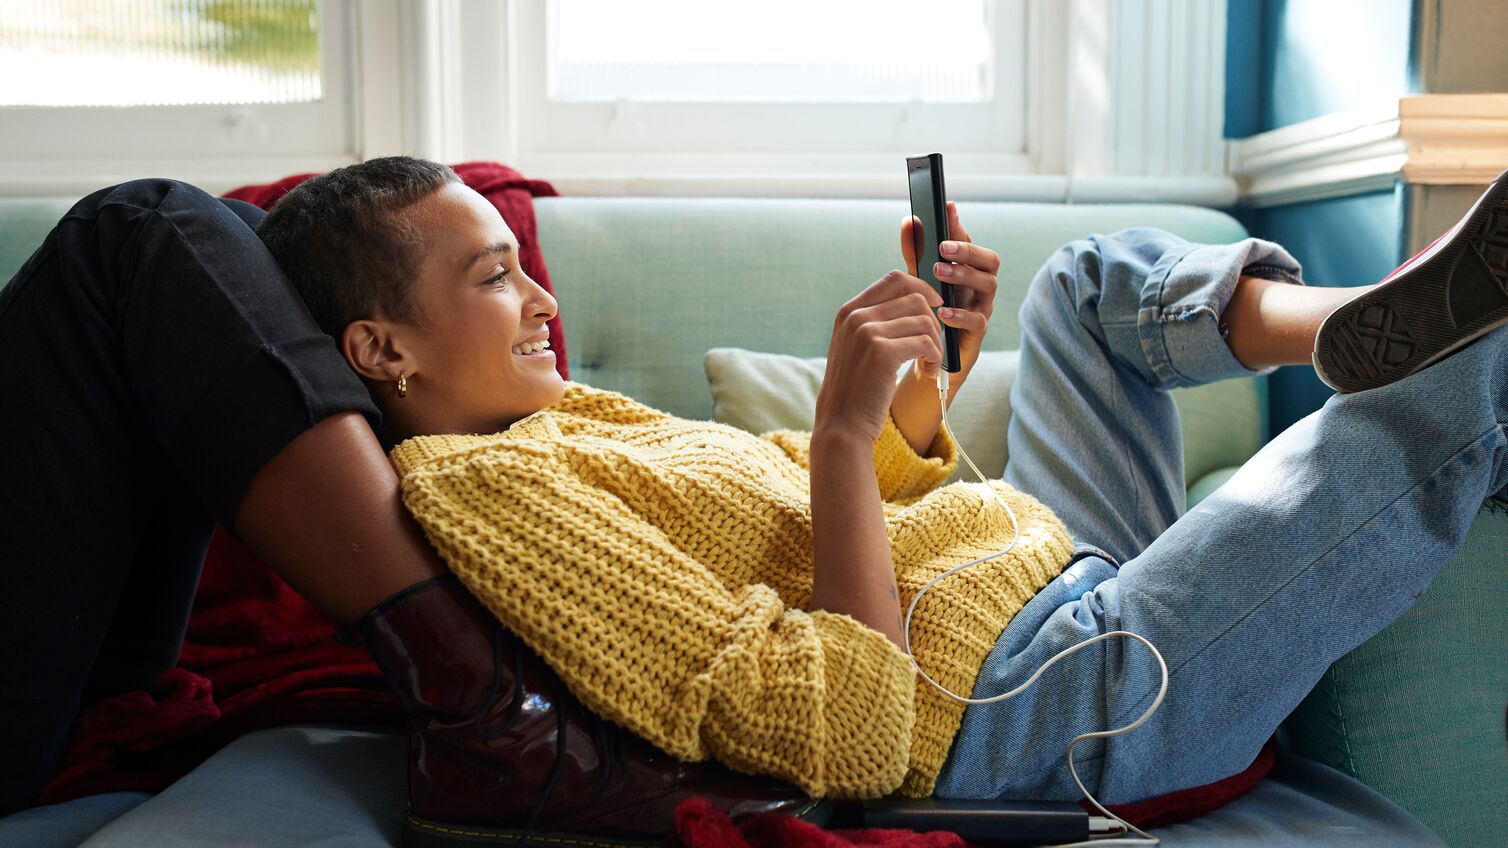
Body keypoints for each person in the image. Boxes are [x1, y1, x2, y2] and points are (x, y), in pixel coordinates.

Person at [1, 158, 1503, 845]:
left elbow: (877, 536)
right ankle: (1422, 353)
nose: (536, 292)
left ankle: (1369, 314)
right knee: (1455, 400)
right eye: (491, 273)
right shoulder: (481, 490)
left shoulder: (568, 419)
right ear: (378, 352)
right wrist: (843, 443)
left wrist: (917, 398)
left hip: (1045, 580)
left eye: (519, 262)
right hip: (1052, 703)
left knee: (1100, 284)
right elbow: (851, 730)